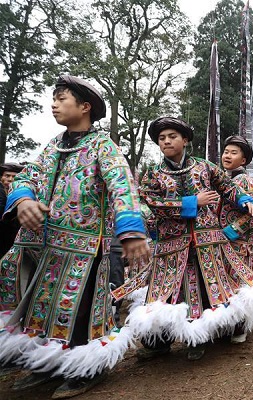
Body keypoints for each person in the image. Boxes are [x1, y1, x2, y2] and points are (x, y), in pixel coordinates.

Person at [0, 75, 151, 398]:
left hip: (85, 247)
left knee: (80, 310)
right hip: (46, 245)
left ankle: (86, 368)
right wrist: (24, 199)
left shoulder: (102, 146)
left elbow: (122, 185)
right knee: (44, 306)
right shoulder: (53, 145)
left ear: (84, 107)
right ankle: (48, 365)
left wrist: (131, 230)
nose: (53, 104)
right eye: (53, 98)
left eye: (61, 98)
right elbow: (28, 175)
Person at [114, 117, 253, 360]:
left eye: (172, 136)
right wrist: (191, 202)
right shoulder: (152, 174)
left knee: (203, 288)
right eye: (161, 138)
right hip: (170, 244)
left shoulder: (205, 167)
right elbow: (151, 203)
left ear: (185, 140)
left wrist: (244, 199)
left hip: (207, 242)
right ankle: (158, 341)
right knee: (165, 292)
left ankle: (199, 338)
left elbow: (228, 187)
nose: (166, 141)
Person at [218, 135, 253, 342]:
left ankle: (239, 327)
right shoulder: (219, 180)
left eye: (233, 153)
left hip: (239, 245)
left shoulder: (246, 182)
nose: (227, 156)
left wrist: (230, 231)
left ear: (244, 160)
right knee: (222, 284)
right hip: (218, 243)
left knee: (238, 286)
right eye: (226, 151)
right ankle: (223, 324)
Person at [0, 162, 25, 258]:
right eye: (7, 176)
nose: (10, 179)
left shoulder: (22, 196)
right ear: (1, 177)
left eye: (14, 176)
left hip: (12, 239)